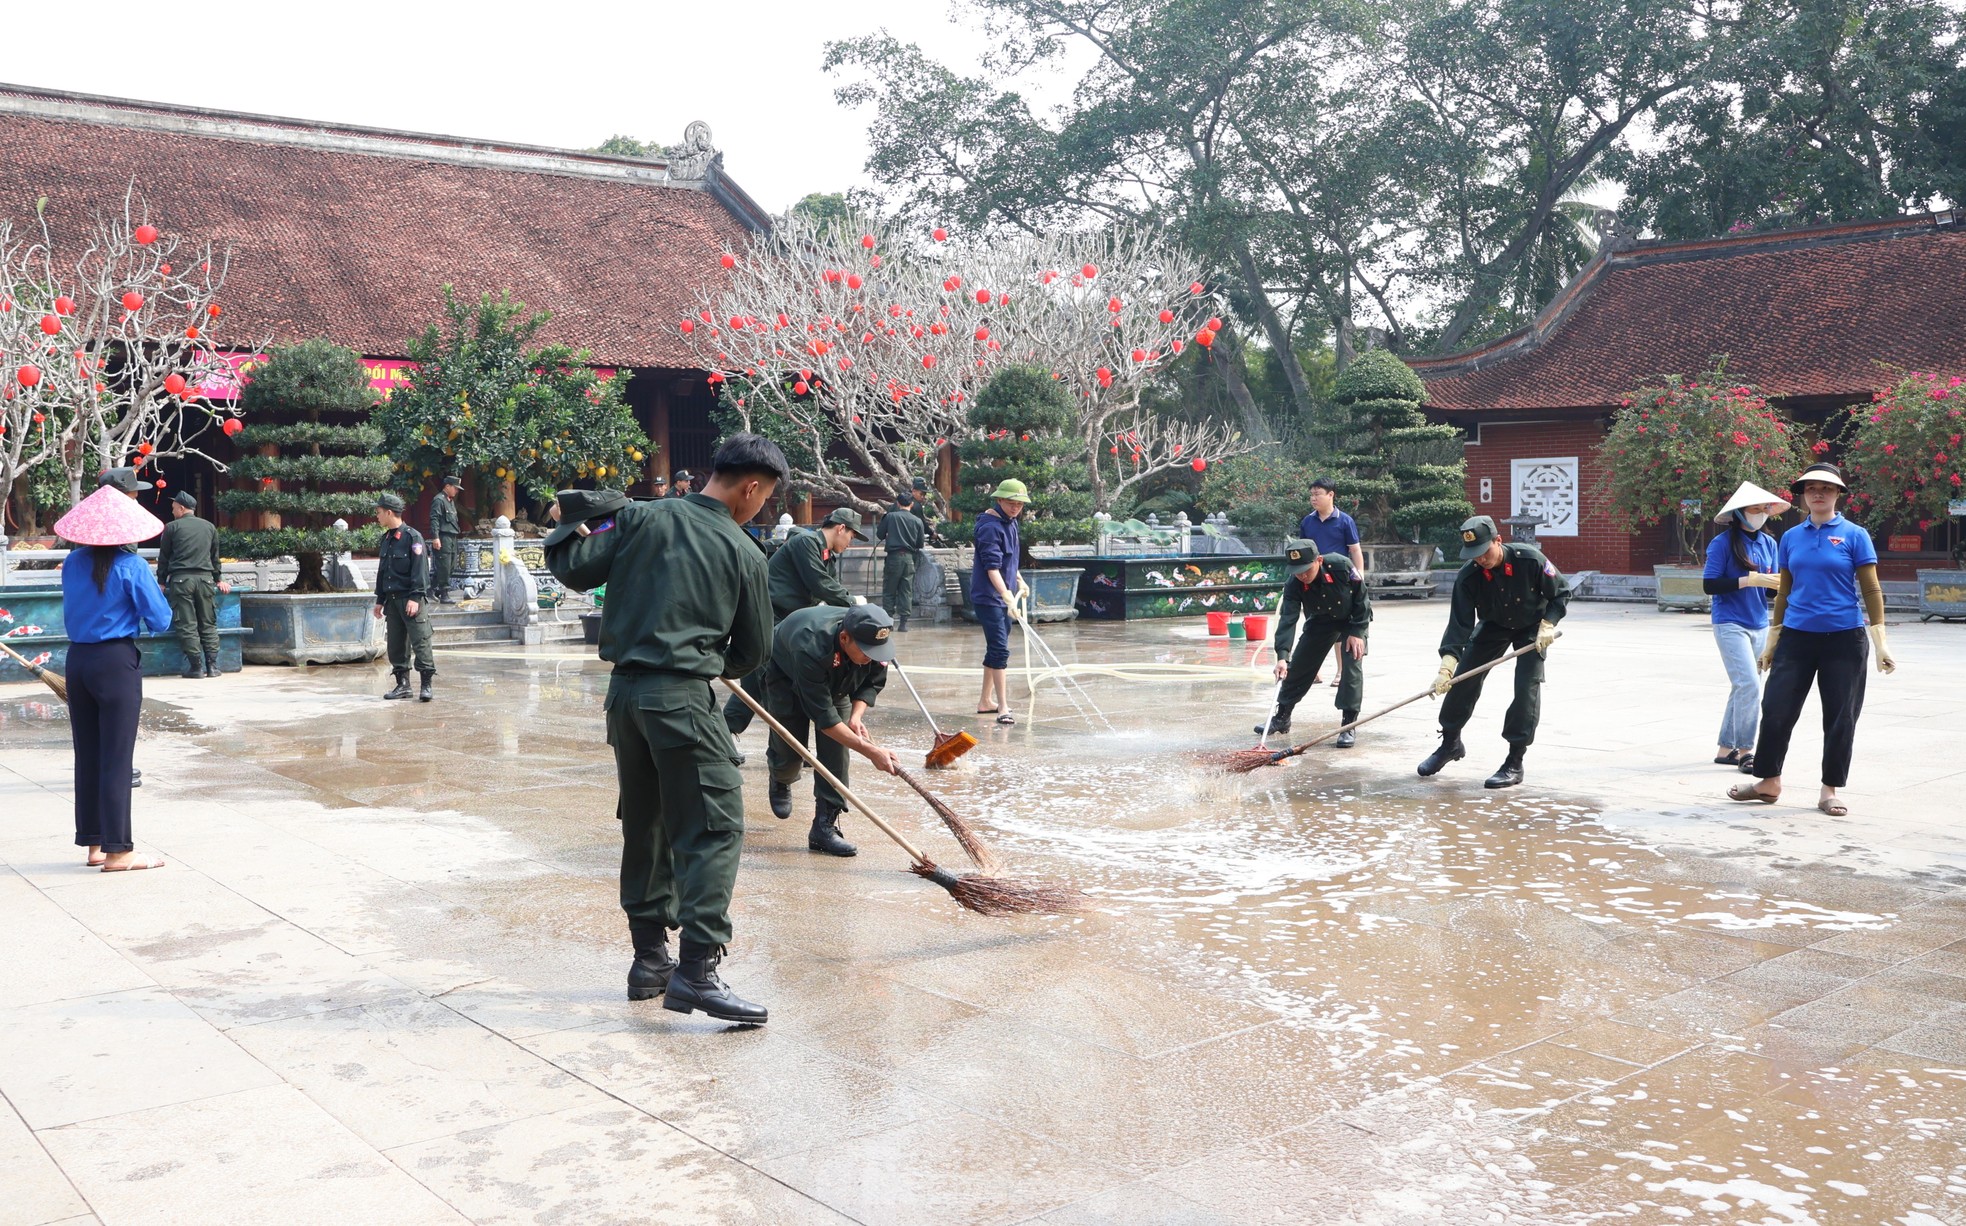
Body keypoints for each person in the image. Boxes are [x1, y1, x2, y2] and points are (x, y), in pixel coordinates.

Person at [546, 434, 786, 1025]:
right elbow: (754, 651)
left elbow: (572, 570)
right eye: (765, 499)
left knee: (648, 821)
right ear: (751, 487)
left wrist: (572, 523)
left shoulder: (637, 519)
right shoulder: (743, 551)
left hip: (624, 698)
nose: (761, 509)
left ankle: (649, 961)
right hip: (681, 699)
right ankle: (697, 973)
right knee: (714, 827)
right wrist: (706, 662)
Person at [1728, 463, 1895, 817]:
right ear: (1803, 494)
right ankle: (1768, 782)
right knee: (1775, 710)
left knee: (1840, 716)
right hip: (1797, 638)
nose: (1818, 493)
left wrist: (1880, 641)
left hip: (1844, 640)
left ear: (1838, 494)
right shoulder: (1790, 538)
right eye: (1811, 488)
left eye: (1827, 488)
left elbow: (1871, 588)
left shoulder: (1854, 534)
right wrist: (1773, 639)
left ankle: (1829, 790)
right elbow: (1785, 592)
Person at [53, 487, 172, 871]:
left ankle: (94, 845)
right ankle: (119, 851)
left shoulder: (72, 562)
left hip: (78, 660)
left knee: (88, 754)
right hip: (115, 661)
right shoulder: (131, 566)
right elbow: (161, 619)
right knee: (117, 757)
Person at [1417, 514, 1568, 789]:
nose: (1480, 559)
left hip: (1533, 627)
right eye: (1474, 555)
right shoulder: (1469, 576)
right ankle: (1450, 743)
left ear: (1498, 540)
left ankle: (1515, 760)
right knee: (1462, 679)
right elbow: (1459, 625)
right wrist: (1445, 668)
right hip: (1494, 626)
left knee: (1526, 688)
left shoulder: (1529, 559)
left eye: (1484, 552)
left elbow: (1561, 593)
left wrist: (1548, 623)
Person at [762, 604, 903, 855]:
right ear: (844, 637)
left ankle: (824, 827)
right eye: (866, 652)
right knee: (791, 748)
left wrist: (856, 717)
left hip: (837, 680)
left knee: (837, 751)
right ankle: (781, 778)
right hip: (787, 674)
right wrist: (871, 752)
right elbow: (825, 719)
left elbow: (871, 683)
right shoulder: (811, 646)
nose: (871, 656)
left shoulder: (872, 643)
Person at [722, 507, 866, 735]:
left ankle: (730, 736)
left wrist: (860, 618)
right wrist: (856, 606)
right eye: (852, 536)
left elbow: (834, 596)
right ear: (841, 528)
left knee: (757, 683)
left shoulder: (827, 557)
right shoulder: (806, 542)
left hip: (789, 622)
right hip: (768, 616)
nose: (851, 542)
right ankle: (779, 745)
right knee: (765, 680)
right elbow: (820, 583)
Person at [1703, 481, 1788, 771]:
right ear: (1739, 513)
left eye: (1765, 508)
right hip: (1729, 622)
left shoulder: (1769, 543)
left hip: (1758, 622)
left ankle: (1725, 748)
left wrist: (1776, 583)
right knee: (1749, 685)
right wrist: (1748, 579)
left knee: (1744, 686)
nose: (1762, 513)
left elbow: (1771, 593)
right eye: (1755, 508)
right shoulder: (1721, 543)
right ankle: (1746, 751)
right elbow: (1709, 584)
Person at [1256, 539, 1371, 747]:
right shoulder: (1294, 582)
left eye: (1306, 570)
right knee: (1298, 664)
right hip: (1321, 621)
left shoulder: (1341, 566)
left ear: (1319, 560)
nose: (1302, 576)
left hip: (1352, 620)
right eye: (1297, 571)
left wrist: (1357, 631)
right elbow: (1288, 619)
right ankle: (1282, 717)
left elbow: (1362, 599)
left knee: (1351, 665)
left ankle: (1348, 725)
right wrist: (1283, 656)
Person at [1294, 476, 1366, 687]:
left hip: (1338, 581)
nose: (1313, 498)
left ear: (1331, 495)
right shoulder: (1307, 521)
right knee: (1313, 625)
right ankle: (1313, 670)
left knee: (1340, 628)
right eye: (1312, 494)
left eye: (1318, 494)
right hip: (1313, 581)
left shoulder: (1345, 521)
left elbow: (1355, 549)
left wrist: (1359, 574)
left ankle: (1341, 671)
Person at [154, 490, 230, 679]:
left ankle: (196, 668)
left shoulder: (171, 528)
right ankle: (213, 666)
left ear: (181, 508)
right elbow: (214, 557)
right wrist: (218, 579)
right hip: (205, 580)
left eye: (173, 508)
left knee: (187, 624)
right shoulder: (210, 527)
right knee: (208, 623)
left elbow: (164, 558)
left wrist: (161, 582)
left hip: (181, 580)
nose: (172, 512)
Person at [971, 478, 1028, 725]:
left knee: (996, 647)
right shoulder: (989, 527)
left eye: (1020, 504)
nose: (1016, 508)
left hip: (1002, 595)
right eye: (1011, 503)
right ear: (1000, 500)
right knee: (1000, 650)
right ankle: (1003, 706)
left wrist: (1019, 581)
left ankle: (986, 701)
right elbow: (992, 566)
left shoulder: (1011, 523)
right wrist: (1005, 594)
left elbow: (1009, 561)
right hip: (988, 597)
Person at [371, 492, 436, 702]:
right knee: (396, 645)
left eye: (379, 512)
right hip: (392, 601)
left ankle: (426, 685)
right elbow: (383, 572)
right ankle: (403, 685)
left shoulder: (412, 537)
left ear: (389, 512)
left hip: (410, 599)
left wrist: (415, 597)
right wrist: (380, 600)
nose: (377, 516)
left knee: (420, 641)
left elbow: (420, 570)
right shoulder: (387, 539)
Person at [878, 490, 927, 631]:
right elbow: (920, 544)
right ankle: (903, 623)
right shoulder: (917, 521)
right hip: (909, 559)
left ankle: (888, 621)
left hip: (893, 557)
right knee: (906, 589)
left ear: (898, 503)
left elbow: (879, 534)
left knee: (889, 589)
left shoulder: (890, 517)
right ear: (912, 504)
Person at [429, 475, 463, 603]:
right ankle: (444, 593)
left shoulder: (449, 501)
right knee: (444, 565)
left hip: (452, 537)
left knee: (451, 566)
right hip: (443, 537)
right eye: (455, 488)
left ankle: (431, 589)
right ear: (447, 486)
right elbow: (435, 519)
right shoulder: (439, 500)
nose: (456, 490)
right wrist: (435, 537)